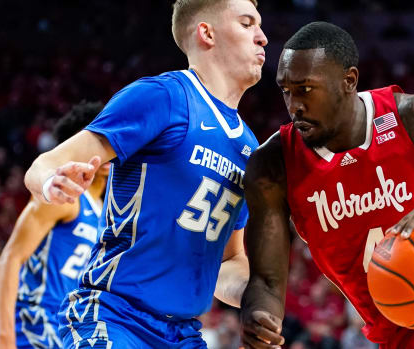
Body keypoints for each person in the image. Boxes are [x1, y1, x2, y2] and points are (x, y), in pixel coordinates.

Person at [240, 22, 414, 349]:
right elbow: (266, 281)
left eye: (306, 89)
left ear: (348, 81)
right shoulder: (273, 164)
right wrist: (259, 319)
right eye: (286, 90)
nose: (294, 106)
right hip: (392, 332)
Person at [22, 0, 267, 347]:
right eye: (247, 24)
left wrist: (261, 296)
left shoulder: (249, 146)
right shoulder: (163, 97)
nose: (263, 37)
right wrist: (53, 182)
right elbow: (43, 165)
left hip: (183, 333)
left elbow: (228, 261)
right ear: (207, 33)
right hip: (114, 317)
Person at [0, 102, 107, 349]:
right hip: (33, 324)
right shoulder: (64, 196)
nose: (109, 150)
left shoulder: (106, 213)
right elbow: (10, 258)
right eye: (99, 141)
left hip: (67, 330)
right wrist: (5, 337)